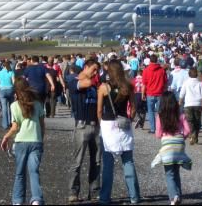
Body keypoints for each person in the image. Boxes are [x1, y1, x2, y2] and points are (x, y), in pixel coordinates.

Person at [97, 59, 140, 205]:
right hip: (124, 124)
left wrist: (100, 123)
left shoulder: (103, 87)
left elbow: (99, 110)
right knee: (128, 161)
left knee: (108, 163)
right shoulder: (128, 86)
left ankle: (104, 197)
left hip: (108, 125)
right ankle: (134, 196)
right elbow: (133, 107)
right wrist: (130, 119)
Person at [0, 77, 45, 206]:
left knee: (20, 173)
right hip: (36, 141)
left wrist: (6, 137)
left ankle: (18, 201)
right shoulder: (37, 104)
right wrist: (41, 139)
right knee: (34, 172)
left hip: (21, 142)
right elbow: (42, 125)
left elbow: (15, 127)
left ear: (16, 91)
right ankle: (36, 199)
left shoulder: (14, 105)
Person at [67, 59, 101, 203]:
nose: (95, 73)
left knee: (97, 161)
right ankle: (73, 192)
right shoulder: (73, 81)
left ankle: (94, 191)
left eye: (97, 71)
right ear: (85, 67)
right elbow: (84, 83)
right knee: (77, 162)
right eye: (93, 70)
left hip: (96, 126)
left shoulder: (94, 84)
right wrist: (99, 82)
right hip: (81, 126)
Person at [153, 91, 192, 205]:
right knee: (176, 172)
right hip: (179, 144)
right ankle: (178, 196)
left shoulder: (160, 116)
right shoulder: (180, 114)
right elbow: (188, 131)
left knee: (169, 173)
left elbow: (158, 134)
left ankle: (173, 197)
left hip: (167, 146)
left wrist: (164, 135)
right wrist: (181, 137)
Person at [179, 68, 202, 145]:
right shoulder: (200, 83)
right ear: (196, 74)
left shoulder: (186, 83)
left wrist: (180, 103)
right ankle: (195, 136)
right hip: (198, 104)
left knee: (190, 121)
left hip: (188, 104)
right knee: (197, 121)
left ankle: (192, 135)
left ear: (189, 74)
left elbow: (182, 94)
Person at [142, 54, 168, 134]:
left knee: (150, 111)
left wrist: (143, 94)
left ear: (150, 61)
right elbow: (165, 83)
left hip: (150, 93)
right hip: (160, 93)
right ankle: (160, 127)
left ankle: (153, 128)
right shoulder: (162, 70)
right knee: (160, 112)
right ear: (157, 60)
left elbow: (144, 84)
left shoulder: (146, 70)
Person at [0, 61, 15, 129]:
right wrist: (16, 91)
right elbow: (14, 82)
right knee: (11, 107)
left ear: (3, 66)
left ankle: (5, 125)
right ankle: (12, 123)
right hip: (10, 90)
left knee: (4, 108)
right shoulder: (11, 72)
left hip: (2, 91)